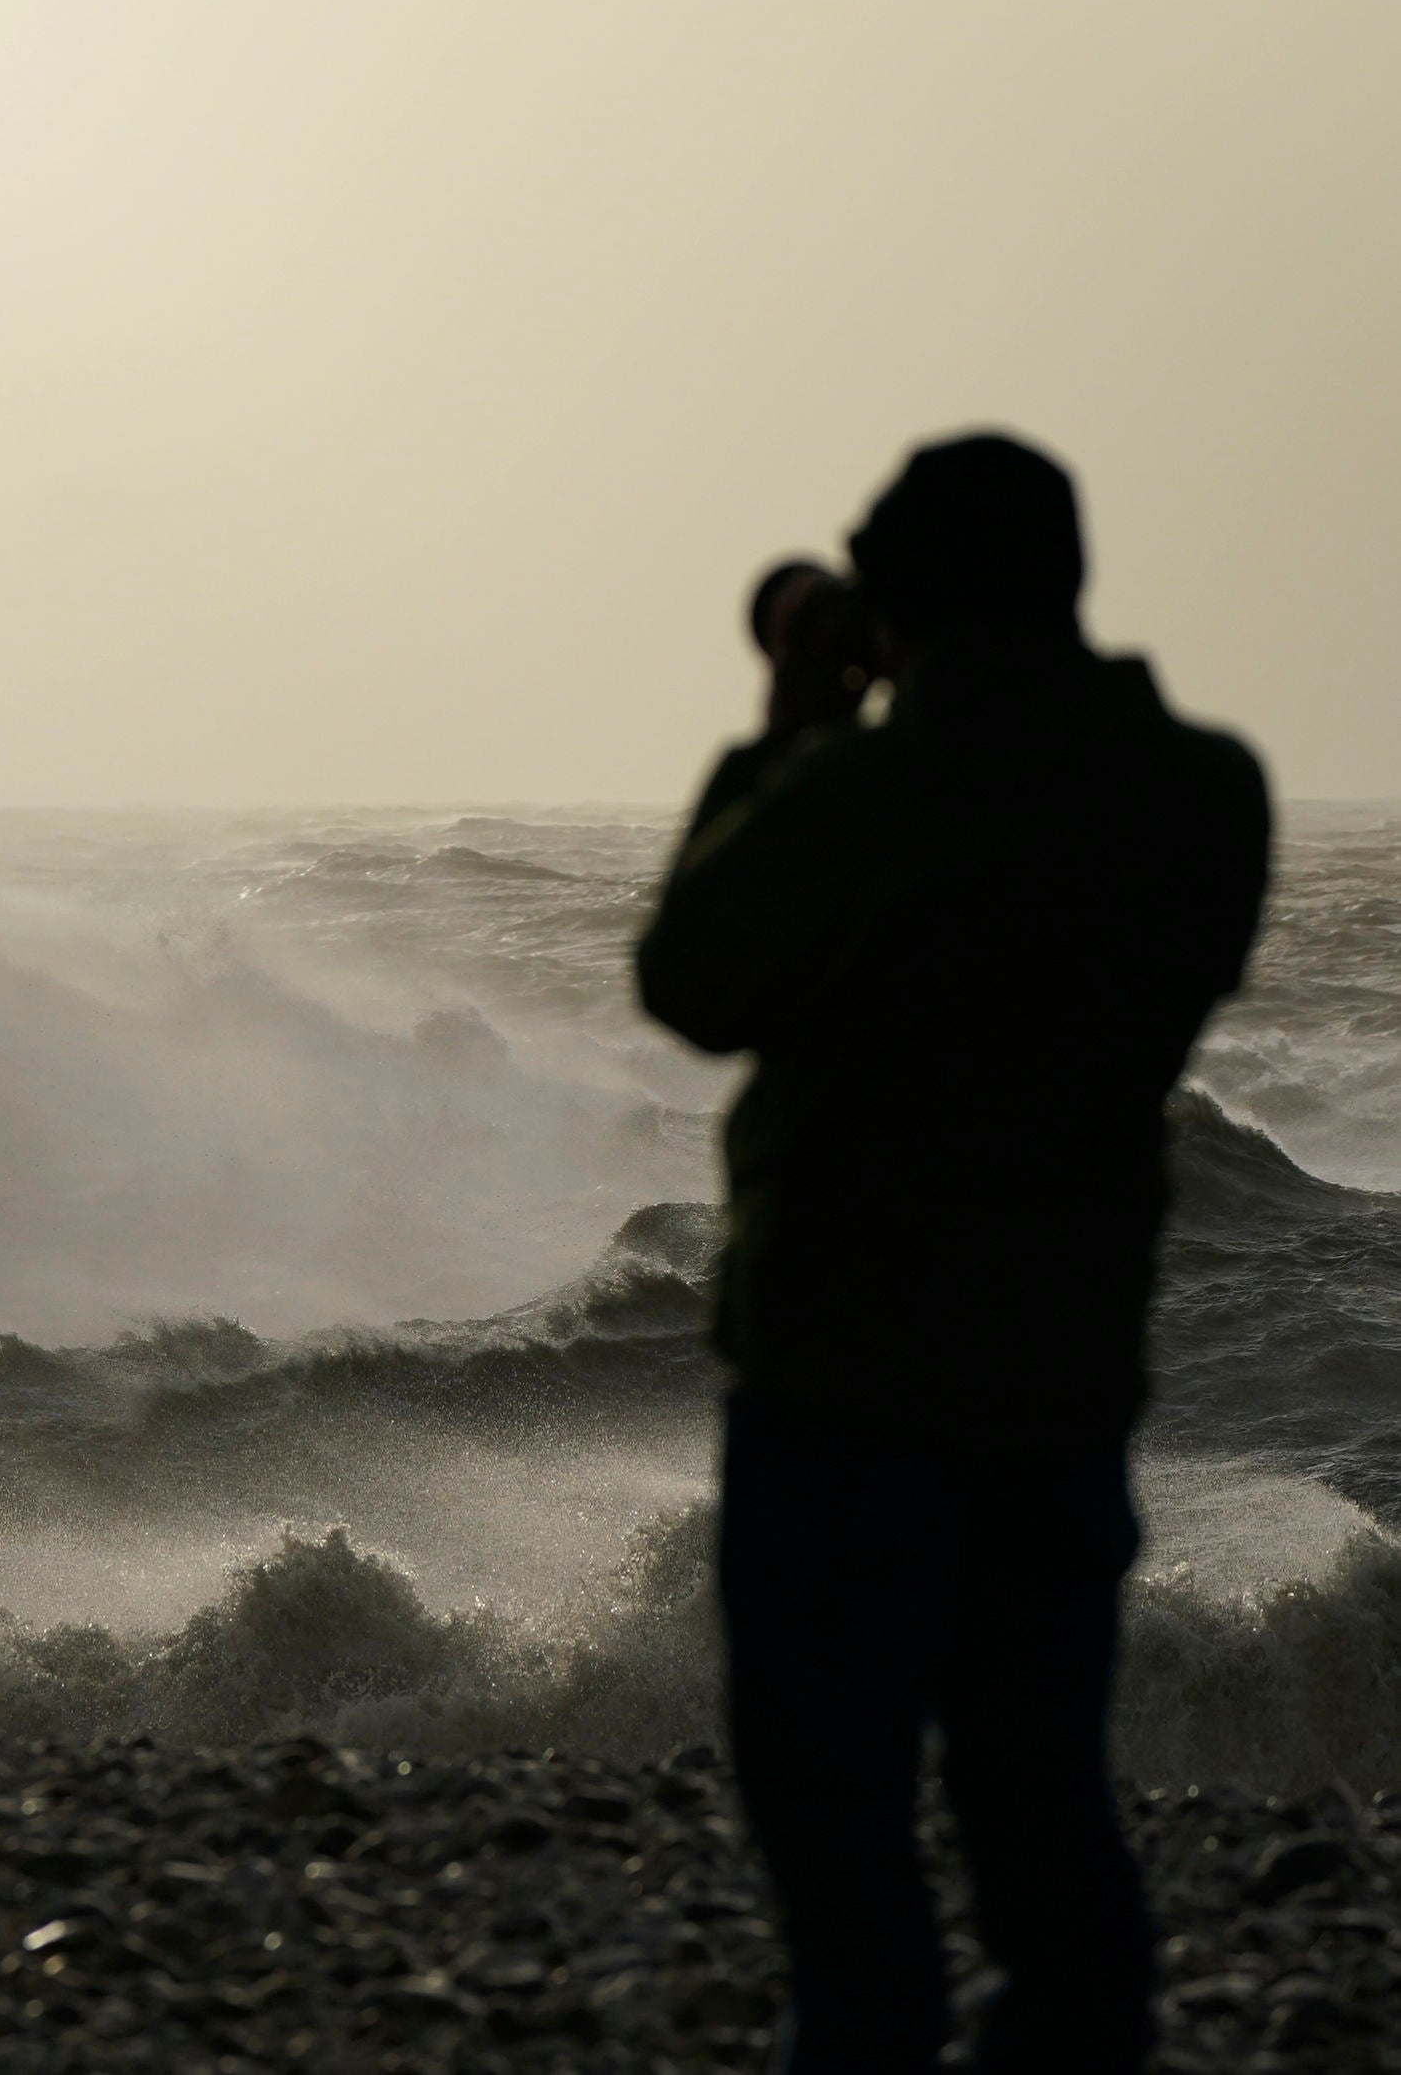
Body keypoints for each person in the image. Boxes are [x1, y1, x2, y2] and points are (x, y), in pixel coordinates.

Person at [635, 432, 1271, 2073]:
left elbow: (698, 975)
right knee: (1038, 1794)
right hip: (1060, 1374)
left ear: (899, 606)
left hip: (839, 1379)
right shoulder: (1205, 791)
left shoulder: (866, 791)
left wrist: (792, 723)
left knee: (834, 1811)